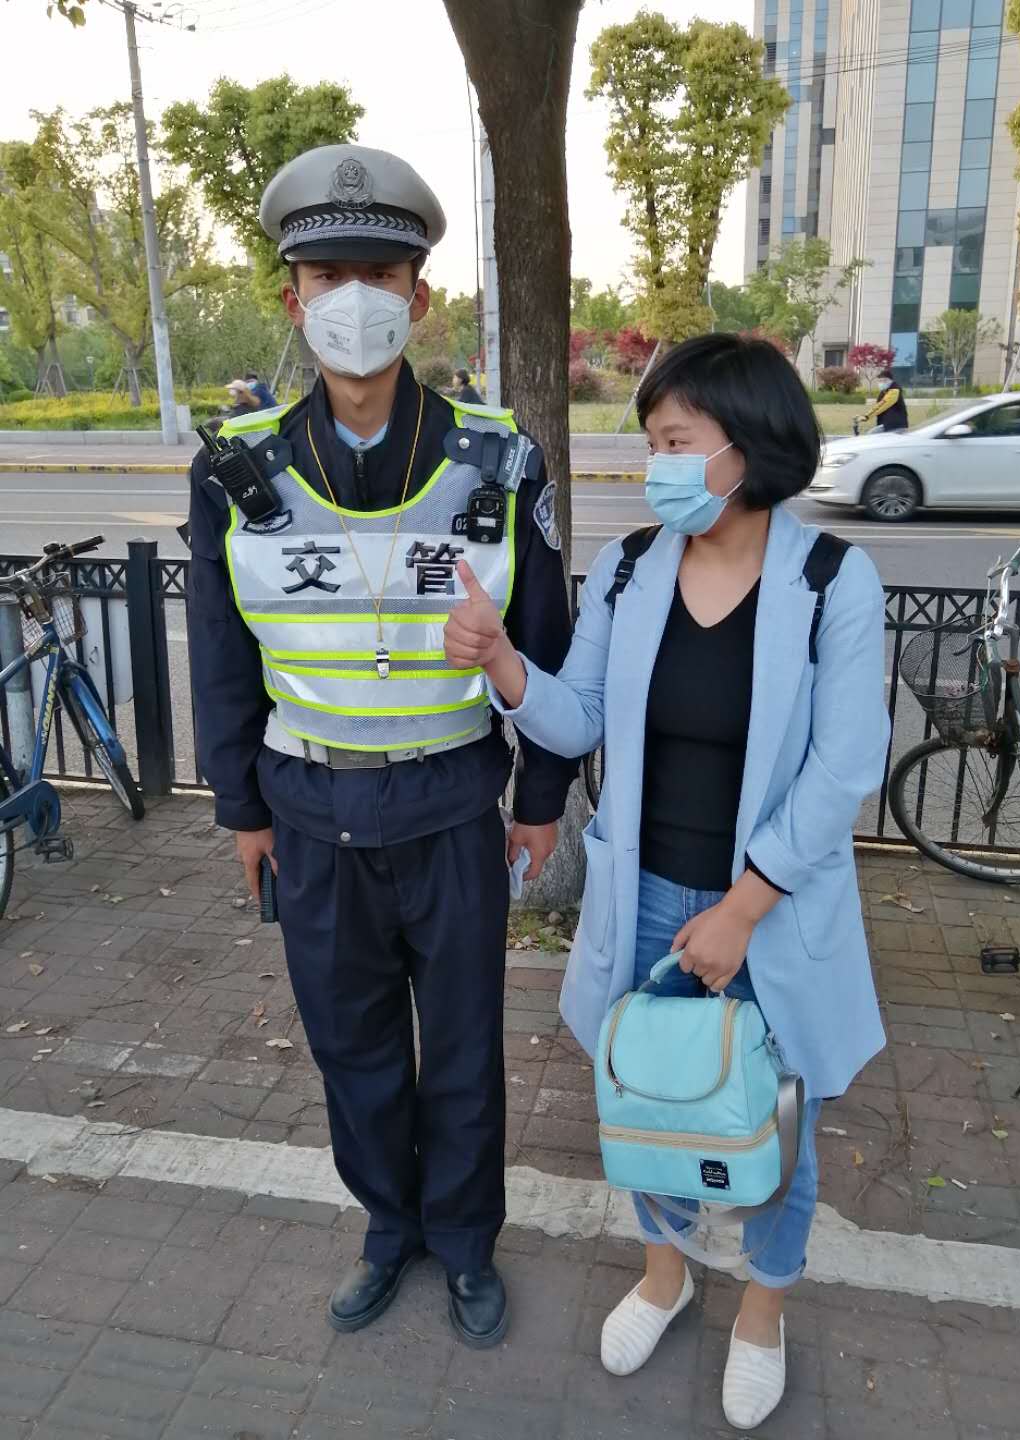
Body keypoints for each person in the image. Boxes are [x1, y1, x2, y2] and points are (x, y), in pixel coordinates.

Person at [444, 333, 890, 1428]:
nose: (658, 464)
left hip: (770, 909)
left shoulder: (831, 580)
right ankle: (664, 1276)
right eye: (652, 443)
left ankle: (761, 1314)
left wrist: (742, 908)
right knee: (644, 1103)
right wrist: (503, 663)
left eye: (676, 441)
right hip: (641, 894)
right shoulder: (635, 566)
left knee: (774, 1126)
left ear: (747, 445)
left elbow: (844, 768)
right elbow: (580, 716)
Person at [185, 143, 578, 1348]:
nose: (353, 299)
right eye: (328, 275)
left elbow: (547, 638)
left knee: (460, 1053)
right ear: (292, 296)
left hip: (451, 809)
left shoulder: (497, 459)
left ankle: (464, 1245)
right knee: (351, 1050)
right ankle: (387, 1231)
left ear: (419, 295)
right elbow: (221, 655)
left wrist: (542, 798)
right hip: (311, 818)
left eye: (381, 274)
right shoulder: (235, 469)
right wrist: (242, 812)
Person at [857, 368, 908, 433]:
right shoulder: (884, 391)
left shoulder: (894, 391)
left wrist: (866, 416)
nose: (880, 383)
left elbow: (882, 405)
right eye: (879, 381)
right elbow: (877, 406)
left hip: (896, 426)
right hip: (888, 424)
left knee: (871, 435)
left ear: (889, 380)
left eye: (883, 381)